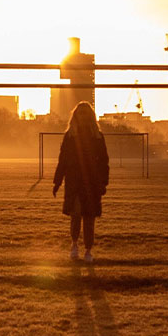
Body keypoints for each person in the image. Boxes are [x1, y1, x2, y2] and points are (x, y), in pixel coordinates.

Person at [52, 101, 109, 263]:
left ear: (90, 116)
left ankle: (88, 250)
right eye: (80, 113)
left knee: (89, 218)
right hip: (74, 182)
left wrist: (103, 182)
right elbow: (62, 159)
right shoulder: (70, 136)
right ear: (76, 116)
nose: (83, 116)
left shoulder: (97, 136)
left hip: (92, 182)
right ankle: (75, 244)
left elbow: (104, 161)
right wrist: (57, 182)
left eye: (85, 113)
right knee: (75, 214)